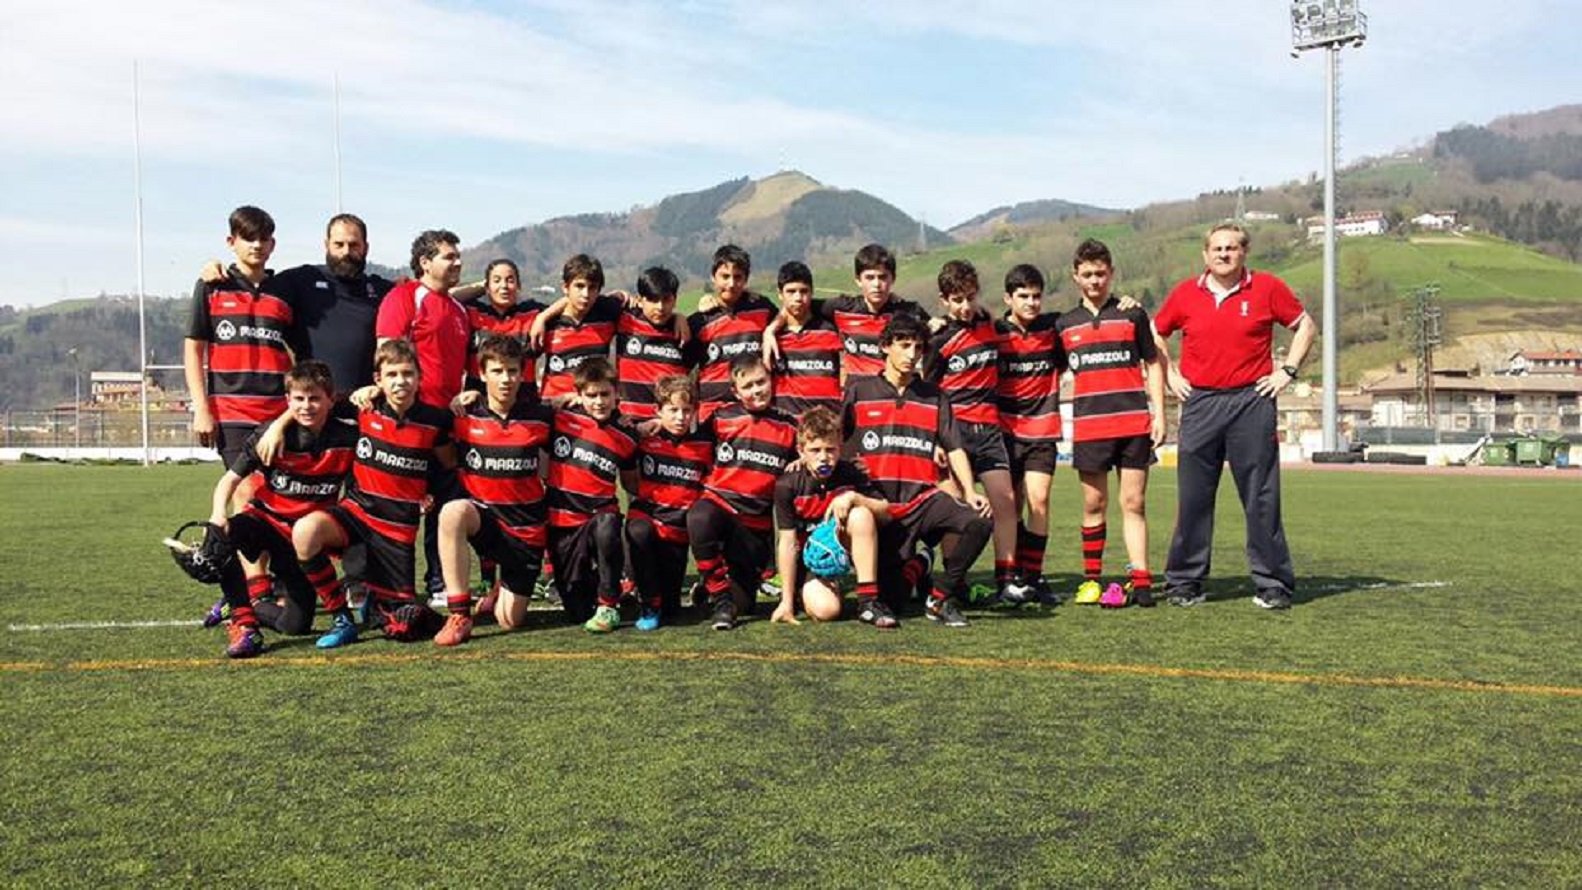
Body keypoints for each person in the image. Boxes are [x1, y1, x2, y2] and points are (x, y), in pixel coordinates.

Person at [1152, 222, 1316, 610]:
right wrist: (1171, 373)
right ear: (1205, 255)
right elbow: (1155, 334)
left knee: (1261, 496)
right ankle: (1185, 581)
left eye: (1232, 248)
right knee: (1194, 497)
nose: (1224, 254)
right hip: (1201, 403)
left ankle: (1273, 582)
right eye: (1217, 248)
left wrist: (1287, 371)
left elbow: (1306, 325)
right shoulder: (1185, 294)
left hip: (1251, 402)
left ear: (1244, 252)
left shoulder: (1268, 288)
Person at [285, 339, 456, 648]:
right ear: (378, 379)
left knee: (402, 625)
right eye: (391, 375)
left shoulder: (436, 420)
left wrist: (432, 494)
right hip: (357, 512)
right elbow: (310, 404)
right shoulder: (362, 406)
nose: (400, 381)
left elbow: (448, 467)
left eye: (407, 374)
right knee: (306, 532)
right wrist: (275, 428)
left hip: (397, 530)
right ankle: (342, 618)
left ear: (419, 377)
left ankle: (378, 603)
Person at [844, 313, 992, 627]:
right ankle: (922, 562)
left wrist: (970, 492)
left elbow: (954, 448)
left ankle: (941, 597)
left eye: (919, 347)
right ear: (885, 346)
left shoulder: (935, 397)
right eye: (904, 345)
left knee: (978, 522)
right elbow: (838, 440)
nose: (912, 354)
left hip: (922, 501)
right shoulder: (859, 392)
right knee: (893, 599)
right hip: (878, 508)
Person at [202, 360, 357, 658]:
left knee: (296, 625)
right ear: (288, 401)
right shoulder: (269, 436)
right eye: (298, 399)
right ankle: (244, 624)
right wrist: (218, 514)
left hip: (302, 540)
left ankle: (250, 603)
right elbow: (229, 481)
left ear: (330, 399)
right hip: (265, 522)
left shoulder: (348, 438)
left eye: (314, 398)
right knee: (220, 536)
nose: (306, 406)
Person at [1052, 240, 1168, 608]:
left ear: (1111, 273)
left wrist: (1160, 414)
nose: (1094, 280)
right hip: (1090, 428)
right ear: (1075, 277)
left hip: (1133, 424)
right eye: (1087, 274)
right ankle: (1092, 581)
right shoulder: (1064, 325)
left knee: (1133, 502)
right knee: (1093, 503)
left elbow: (1153, 363)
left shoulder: (1133, 315)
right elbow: (1052, 373)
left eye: (1100, 273)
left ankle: (1142, 579)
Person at [433, 335, 553, 646]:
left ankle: (501, 589)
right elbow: (442, 453)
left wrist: (570, 400)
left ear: (522, 373)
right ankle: (459, 613)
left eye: (512, 371)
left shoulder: (540, 417)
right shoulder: (462, 416)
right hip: (486, 524)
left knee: (509, 621)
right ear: (482, 373)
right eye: (497, 371)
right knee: (452, 512)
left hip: (525, 534)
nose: (506, 379)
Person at [374, 229, 470, 600]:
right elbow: (387, 354)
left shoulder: (460, 309)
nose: (457, 261)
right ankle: (383, 588)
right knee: (397, 508)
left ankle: (438, 583)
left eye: (457, 255)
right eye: (449, 256)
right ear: (425, 262)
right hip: (410, 423)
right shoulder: (403, 297)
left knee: (444, 507)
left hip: (446, 426)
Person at [925, 260, 1023, 603]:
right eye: (956, 300)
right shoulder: (938, 340)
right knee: (958, 511)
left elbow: (991, 316)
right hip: (954, 434)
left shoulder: (987, 324)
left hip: (990, 430)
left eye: (969, 297)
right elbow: (928, 395)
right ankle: (954, 584)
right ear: (943, 300)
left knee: (1005, 502)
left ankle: (1007, 579)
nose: (964, 306)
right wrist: (935, 438)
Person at [687, 356, 799, 630]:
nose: (757, 390)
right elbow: (689, 448)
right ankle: (720, 595)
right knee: (699, 517)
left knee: (745, 603)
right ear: (735, 392)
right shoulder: (721, 418)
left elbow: (810, 460)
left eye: (761, 381)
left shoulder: (789, 426)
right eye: (748, 386)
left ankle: (716, 591)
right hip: (719, 507)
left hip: (754, 528)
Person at [183, 206, 295, 470]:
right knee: (244, 489)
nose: (257, 245)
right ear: (231, 242)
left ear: (273, 244)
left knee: (274, 493)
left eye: (263, 239)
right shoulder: (212, 286)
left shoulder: (286, 291)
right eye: (248, 238)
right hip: (231, 411)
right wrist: (201, 409)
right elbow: (193, 350)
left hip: (276, 411)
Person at [771, 407, 894, 628]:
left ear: (840, 448)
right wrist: (786, 601)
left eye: (831, 450)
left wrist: (855, 497)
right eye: (815, 450)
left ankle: (868, 602)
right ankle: (803, 593)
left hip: (846, 549)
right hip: (812, 564)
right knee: (827, 611)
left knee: (861, 514)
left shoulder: (851, 473)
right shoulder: (787, 485)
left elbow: (886, 512)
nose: (824, 457)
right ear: (801, 450)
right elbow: (788, 543)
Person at [543, 358, 638, 632]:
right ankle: (603, 583)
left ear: (616, 393)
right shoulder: (562, 418)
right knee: (577, 611)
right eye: (591, 395)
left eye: (605, 394)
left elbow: (632, 484)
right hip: (563, 523)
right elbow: (527, 411)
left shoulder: (627, 436)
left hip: (599, 516)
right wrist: (556, 401)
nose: (599, 402)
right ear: (579, 394)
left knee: (608, 523)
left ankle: (609, 603)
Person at [268, 213, 395, 398]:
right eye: (339, 244)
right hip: (313, 407)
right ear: (326, 245)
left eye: (354, 245)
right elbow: (256, 285)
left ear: (365, 248)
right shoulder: (300, 280)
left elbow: (424, 291)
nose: (346, 252)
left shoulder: (383, 290)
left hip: (366, 404)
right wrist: (217, 273)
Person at [763, 243, 930, 383]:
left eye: (883, 277)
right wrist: (770, 330)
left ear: (892, 279)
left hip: (892, 398)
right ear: (858, 280)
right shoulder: (843, 308)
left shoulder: (909, 311)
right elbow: (796, 305)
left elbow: (935, 330)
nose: (877, 284)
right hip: (856, 400)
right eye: (870, 278)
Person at [994, 264, 1062, 603]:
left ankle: (1033, 578)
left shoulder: (1055, 328)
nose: (1032, 303)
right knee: (1012, 506)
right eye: (1023, 296)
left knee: (1039, 500)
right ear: (1008, 298)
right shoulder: (993, 333)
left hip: (1042, 431)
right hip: (1004, 432)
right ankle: (1012, 574)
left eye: (1037, 296)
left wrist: (1125, 303)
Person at [625, 375, 712, 629]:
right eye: (672, 410)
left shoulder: (705, 444)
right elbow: (629, 478)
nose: (680, 417)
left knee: (672, 609)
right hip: (649, 517)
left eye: (687, 410)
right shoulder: (644, 438)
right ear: (658, 411)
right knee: (637, 532)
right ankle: (648, 603)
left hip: (679, 528)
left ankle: (660, 597)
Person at [687, 245, 777, 420]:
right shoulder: (700, 321)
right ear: (713, 277)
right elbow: (682, 368)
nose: (731, 284)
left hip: (755, 414)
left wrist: (771, 329)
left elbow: (788, 317)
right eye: (725, 276)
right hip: (713, 416)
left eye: (738, 277)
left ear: (746, 279)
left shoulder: (762, 308)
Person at [614, 267, 692, 420]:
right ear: (640, 300)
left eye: (666, 300)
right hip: (629, 423)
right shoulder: (626, 320)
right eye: (653, 300)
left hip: (667, 426)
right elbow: (588, 303)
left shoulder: (684, 332)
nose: (660, 307)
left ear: (675, 300)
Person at [768, 261, 842, 419]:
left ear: (812, 292)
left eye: (803, 291)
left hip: (828, 425)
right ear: (780, 294)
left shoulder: (830, 331)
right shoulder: (772, 337)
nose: (798, 298)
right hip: (788, 425)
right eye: (791, 291)